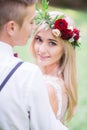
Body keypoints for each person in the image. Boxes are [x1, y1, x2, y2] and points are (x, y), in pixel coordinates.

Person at [0, 0, 69, 130]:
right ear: (12, 27)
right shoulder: (28, 74)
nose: (33, 27)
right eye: (31, 22)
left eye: (52, 43)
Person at [31, 9, 80, 125]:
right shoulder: (57, 78)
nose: (41, 50)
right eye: (39, 39)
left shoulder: (48, 88)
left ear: (65, 49)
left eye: (52, 43)